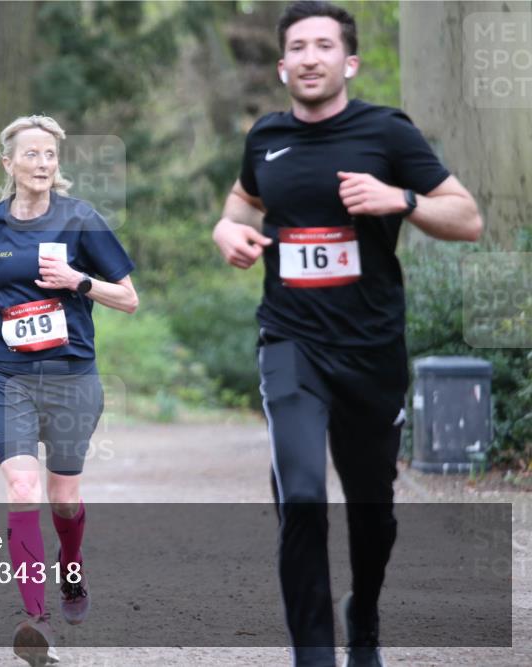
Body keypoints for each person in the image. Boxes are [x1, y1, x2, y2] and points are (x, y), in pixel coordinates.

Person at [211, 3, 483, 666]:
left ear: (348, 62)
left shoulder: (387, 133)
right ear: (281, 67)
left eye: (323, 45)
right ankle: (313, 654)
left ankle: (363, 615)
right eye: (297, 47)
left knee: (373, 513)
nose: (309, 57)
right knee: (300, 493)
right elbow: (243, 200)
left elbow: (468, 216)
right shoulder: (266, 137)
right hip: (289, 339)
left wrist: (403, 201)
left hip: (369, 347)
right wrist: (228, 229)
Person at [0, 115, 138, 666]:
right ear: (8, 163)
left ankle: (72, 568)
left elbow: (129, 298)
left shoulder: (82, 220)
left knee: (63, 497)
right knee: (21, 488)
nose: (42, 164)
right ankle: (35, 621)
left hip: (70, 376)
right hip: (5, 374)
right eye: (32, 155)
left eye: (50, 155)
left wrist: (78, 282)